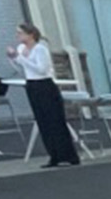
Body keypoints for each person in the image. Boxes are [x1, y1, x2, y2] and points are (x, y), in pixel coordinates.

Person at [7, 23, 79, 167]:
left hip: (45, 85)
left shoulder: (40, 49)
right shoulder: (21, 49)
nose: (18, 36)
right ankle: (54, 155)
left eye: (21, 33)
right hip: (32, 85)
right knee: (42, 122)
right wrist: (13, 58)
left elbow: (41, 69)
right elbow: (22, 68)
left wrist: (20, 59)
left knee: (55, 121)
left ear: (31, 34)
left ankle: (69, 155)